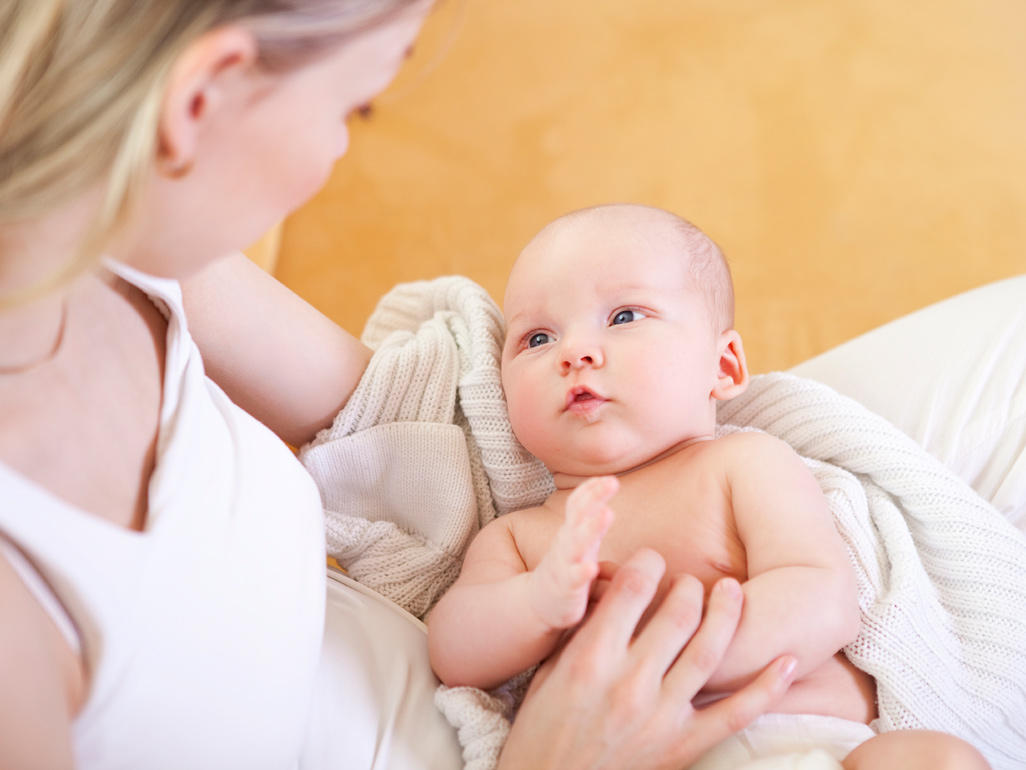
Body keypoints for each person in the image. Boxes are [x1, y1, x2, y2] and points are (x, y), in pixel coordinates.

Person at [0, 4, 801, 768]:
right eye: (355, 107)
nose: (338, 154)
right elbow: (458, 641)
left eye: (625, 317)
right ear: (200, 99)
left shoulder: (127, 243)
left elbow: (376, 411)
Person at [427, 203, 990, 769]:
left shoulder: (742, 465)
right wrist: (537, 603)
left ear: (723, 366)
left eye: (624, 317)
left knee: (939, 758)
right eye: (537, 338)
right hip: (641, 753)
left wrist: (683, 657)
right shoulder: (522, 538)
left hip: (810, 744)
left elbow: (822, 596)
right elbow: (453, 650)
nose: (575, 353)